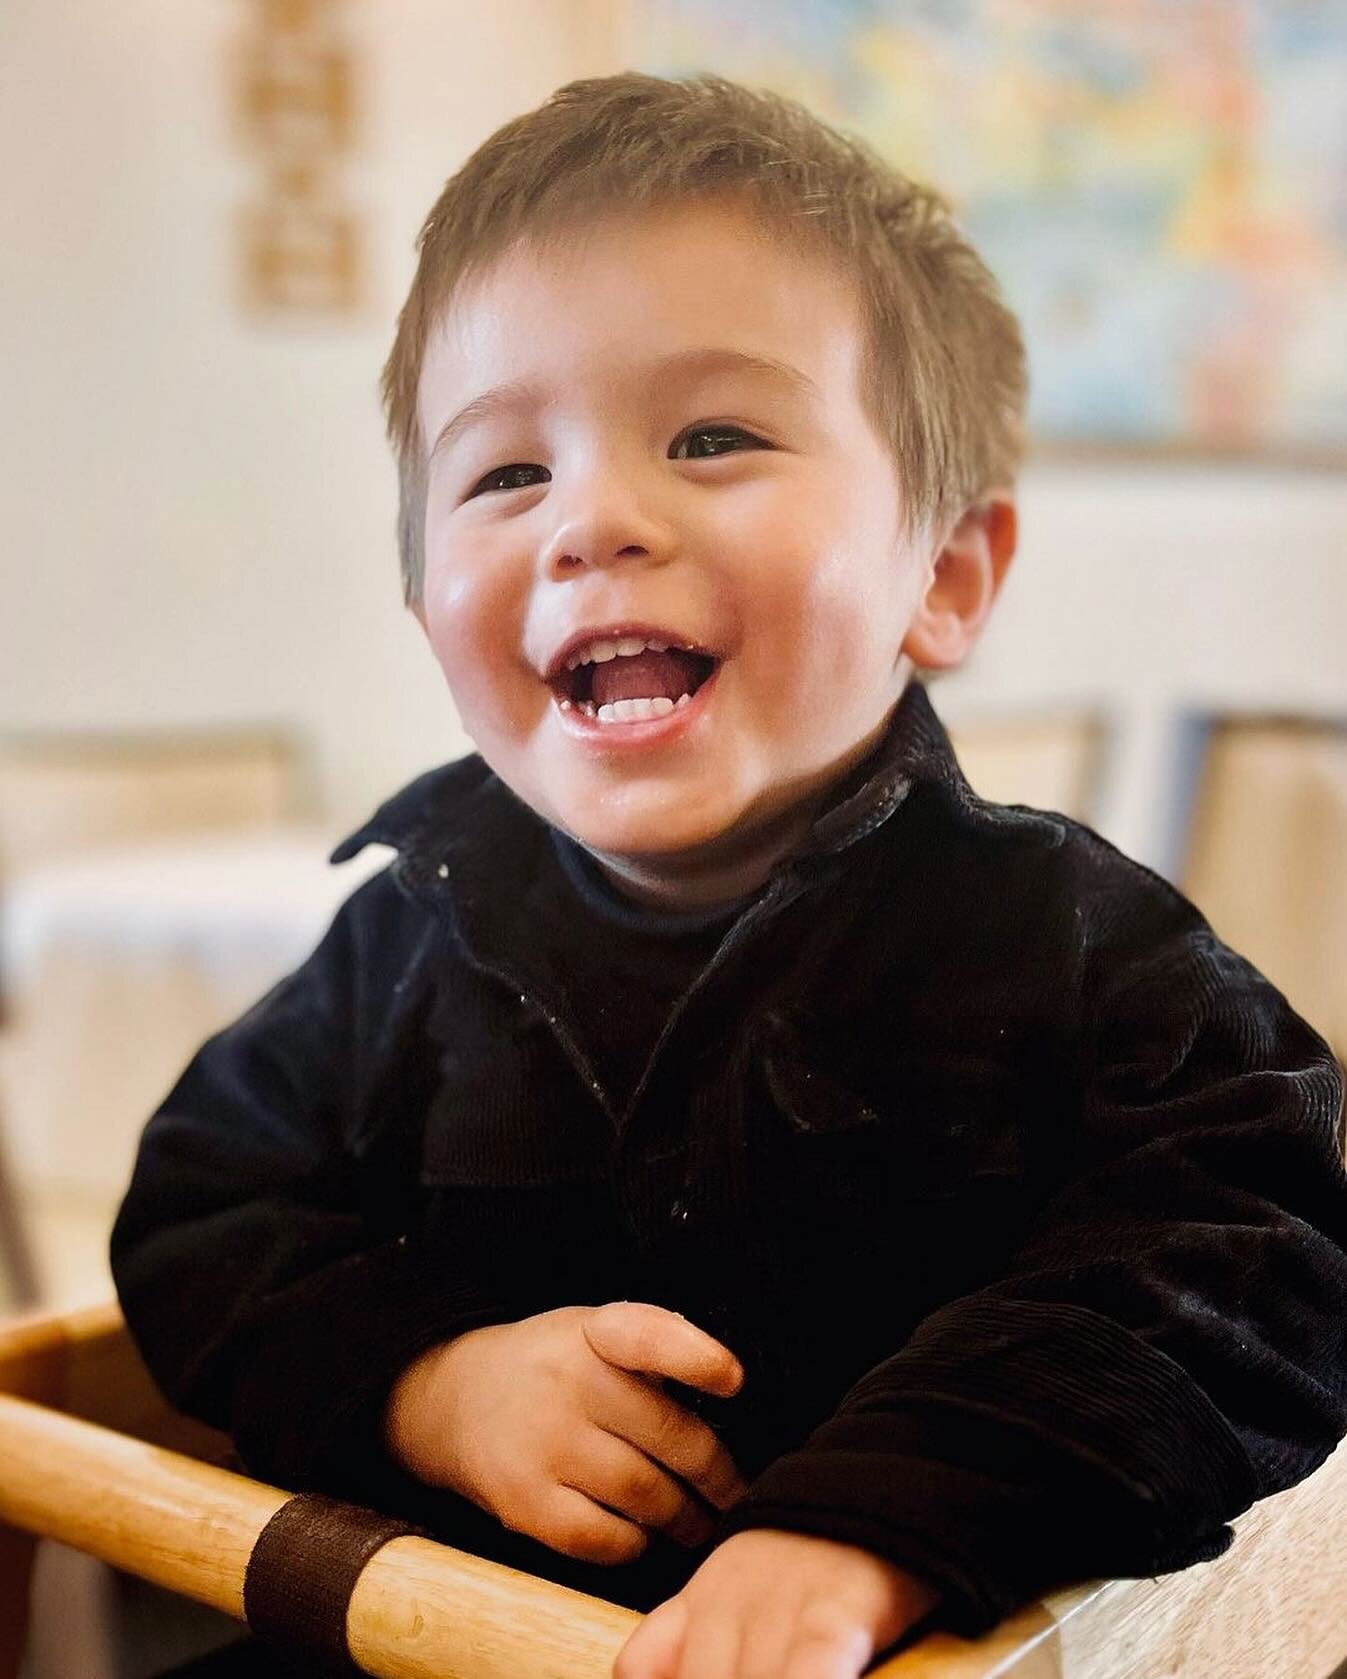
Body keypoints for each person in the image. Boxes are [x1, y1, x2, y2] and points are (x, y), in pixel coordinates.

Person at [111, 71, 1347, 1679]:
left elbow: (1263, 1254)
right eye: (503, 475)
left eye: (711, 435)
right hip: (442, 1637)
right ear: (424, 605)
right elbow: (199, 1211)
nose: (593, 521)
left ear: (945, 574)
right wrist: (435, 1380)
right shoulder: (404, 938)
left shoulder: (1063, 943)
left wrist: (871, 1523)